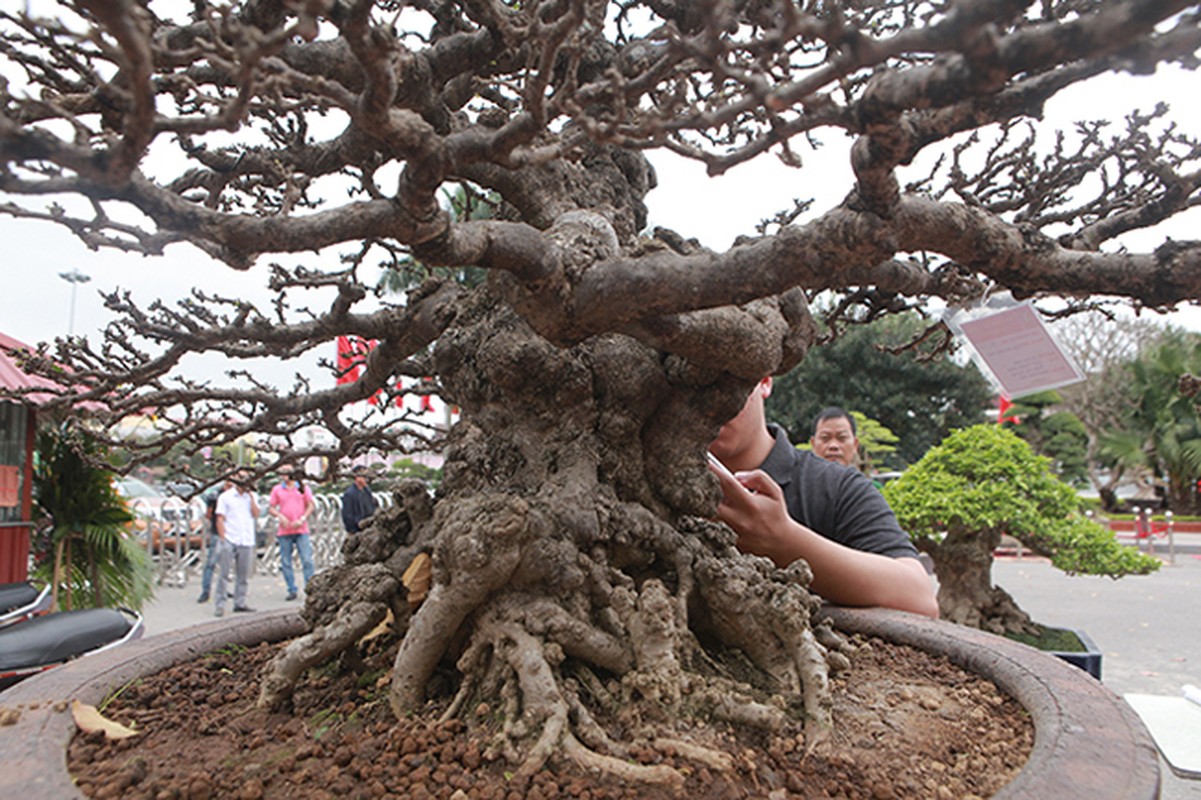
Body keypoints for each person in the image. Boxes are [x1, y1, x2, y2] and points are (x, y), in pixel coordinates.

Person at [709, 377, 938, 618]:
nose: (708, 401)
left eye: (724, 378)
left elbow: (919, 596)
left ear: (764, 381)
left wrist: (784, 541)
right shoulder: (667, 487)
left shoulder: (837, 487)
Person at [213, 471, 259, 617]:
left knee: (243, 574)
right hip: (230, 537)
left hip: (246, 538)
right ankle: (220, 603)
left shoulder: (251, 497)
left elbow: (256, 513)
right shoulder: (226, 497)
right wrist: (223, 538)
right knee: (224, 573)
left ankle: (240, 602)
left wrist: (251, 497)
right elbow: (219, 517)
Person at [268, 465, 316, 601]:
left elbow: (310, 504)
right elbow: (271, 507)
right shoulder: (277, 489)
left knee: (307, 559)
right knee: (286, 561)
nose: (284, 476)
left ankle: (310, 587)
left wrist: (302, 519)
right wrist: (280, 516)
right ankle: (291, 589)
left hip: (301, 528)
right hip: (284, 529)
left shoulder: (302, 488)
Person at [196, 480, 233, 604]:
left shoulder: (236, 495)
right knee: (211, 563)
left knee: (226, 564)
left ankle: (223, 589)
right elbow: (209, 513)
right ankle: (206, 591)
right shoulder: (216, 495)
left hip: (232, 533)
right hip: (217, 532)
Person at [341, 466, 378, 534]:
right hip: (357, 531)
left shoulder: (367, 491)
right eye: (364, 476)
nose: (366, 479)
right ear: (357, 477)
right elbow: (347, 515)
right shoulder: (349, 494)